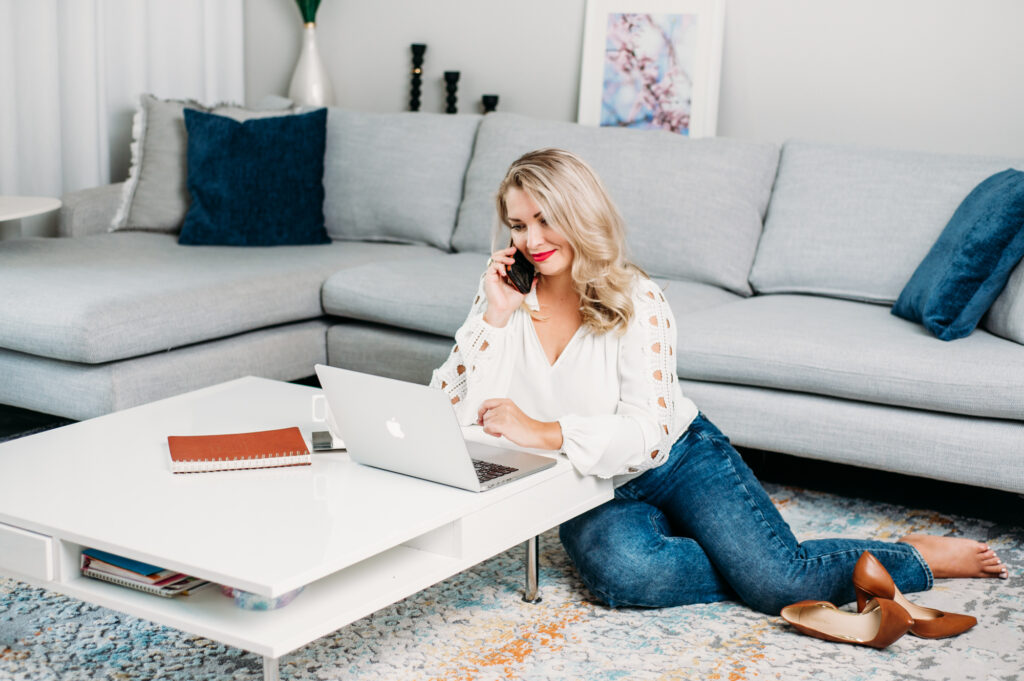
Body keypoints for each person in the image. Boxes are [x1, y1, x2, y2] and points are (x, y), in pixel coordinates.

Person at [429, 148, 1008, 615]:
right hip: (590, 479)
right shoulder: (502, 297)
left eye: (546, 219)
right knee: (623, 576)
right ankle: (753, 555)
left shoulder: (638, 297)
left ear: (581, 215)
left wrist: (541, 430)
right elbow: (448, 408)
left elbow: (649, 434)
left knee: (779, 587)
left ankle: (906, 557)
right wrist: (495, 317)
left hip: (677, 457)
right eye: (518, 225)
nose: (532, 239)